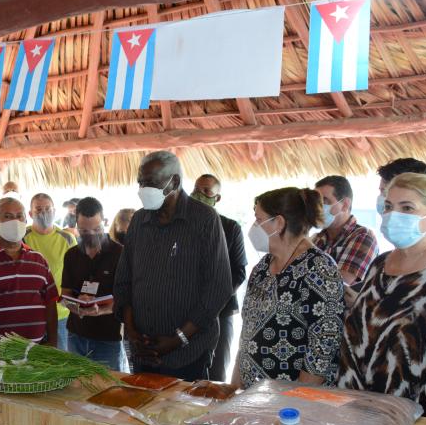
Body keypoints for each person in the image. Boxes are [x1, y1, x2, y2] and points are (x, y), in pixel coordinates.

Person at [338, 173, 426, 416]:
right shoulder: (380, 264)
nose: (392, 215)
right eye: (388, 206)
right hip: (356, 408)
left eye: (407, 208)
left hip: (420, 416)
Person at [114, 151, 232, 381]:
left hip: (188, 352)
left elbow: (218, 287)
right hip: (142, 351)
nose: (143, 189)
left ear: (175, 182)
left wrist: (178, 339)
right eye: (140, 182)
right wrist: (133, 332)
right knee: (140, 413)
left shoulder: (204, 220)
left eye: (151, 182)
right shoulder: (139, 221)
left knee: (183, 415)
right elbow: (123, 280)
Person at [233, 187, 345, 390]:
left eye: (259, 219)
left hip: (292, 406)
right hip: (252, 398)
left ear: (279, 223)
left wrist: (295, 403)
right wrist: (234, 390)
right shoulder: (262, 267)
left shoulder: (318, 267)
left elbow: (323, 346)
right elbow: (246, 334)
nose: (254, 226)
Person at [191, 174, 247, 382]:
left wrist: (212, 299)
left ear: (217, 198)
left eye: (206, 191)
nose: (199, 195)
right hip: (186, 311)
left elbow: (239, 272)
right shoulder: (182, 227)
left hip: (220, 311)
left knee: (216, 372)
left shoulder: (231, 228)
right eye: (196, 189)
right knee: (189, 370)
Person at [0, 198, 59, 344]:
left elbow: (50, 303)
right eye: (8, 216)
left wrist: (53, 343)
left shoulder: (39, 260)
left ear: (26, 220)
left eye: (19, 216)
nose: (15, 221)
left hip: (38, 350)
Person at [61, 198, 124, 370]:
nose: (91, 235)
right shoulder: (71, 255)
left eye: (96, 229)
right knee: (76, 386)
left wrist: (101, 310)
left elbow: (126, 299)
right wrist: (76, 306)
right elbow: (65, 295)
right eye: (84, 231)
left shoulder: (120, 254)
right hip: (76, 334)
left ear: (105, 221)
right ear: (76, 226)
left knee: (108, 390)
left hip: (107, 337)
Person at [24, 193, 77, 351]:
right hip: (32, 313)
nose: (43, 212)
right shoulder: (22, 237)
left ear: (54, 211)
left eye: (47, 208)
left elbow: (75, 274)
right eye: (38, 209)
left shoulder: (67, 238)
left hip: (61, 313)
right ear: (30, 213)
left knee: (61, 362)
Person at [311, 175, 378, 285]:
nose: (317, 207)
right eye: (316, 202)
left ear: (345, 205)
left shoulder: (363, 236)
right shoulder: (317, 239)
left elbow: (339, 285)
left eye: (325, 201)